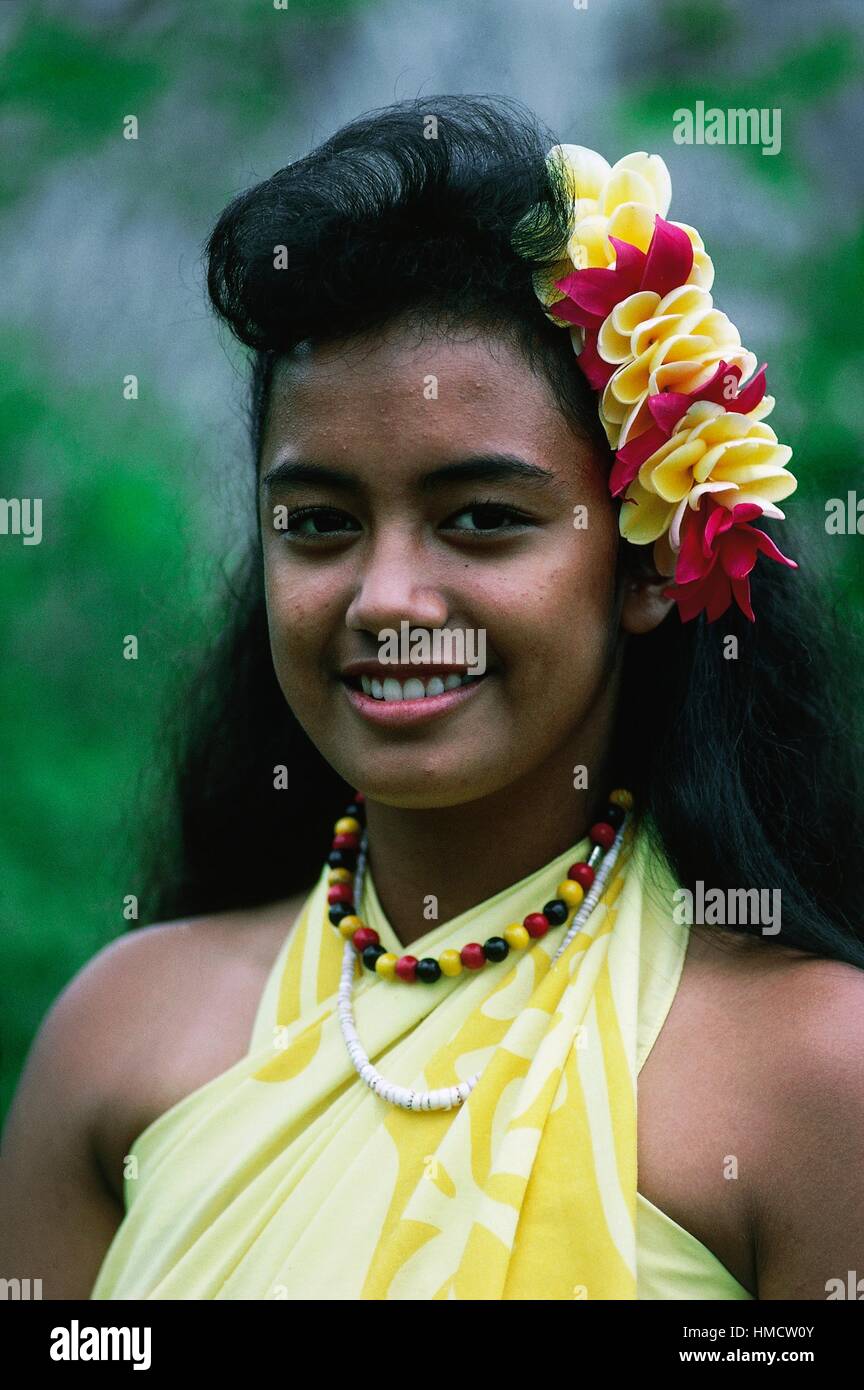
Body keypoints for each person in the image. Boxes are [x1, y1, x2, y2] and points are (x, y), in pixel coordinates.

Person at [2, 94, 863, 1302]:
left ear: (654, 561)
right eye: (320, 525)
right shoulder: (122, 1037)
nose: (385, 595)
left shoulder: (815, 1080)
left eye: (482, 520)